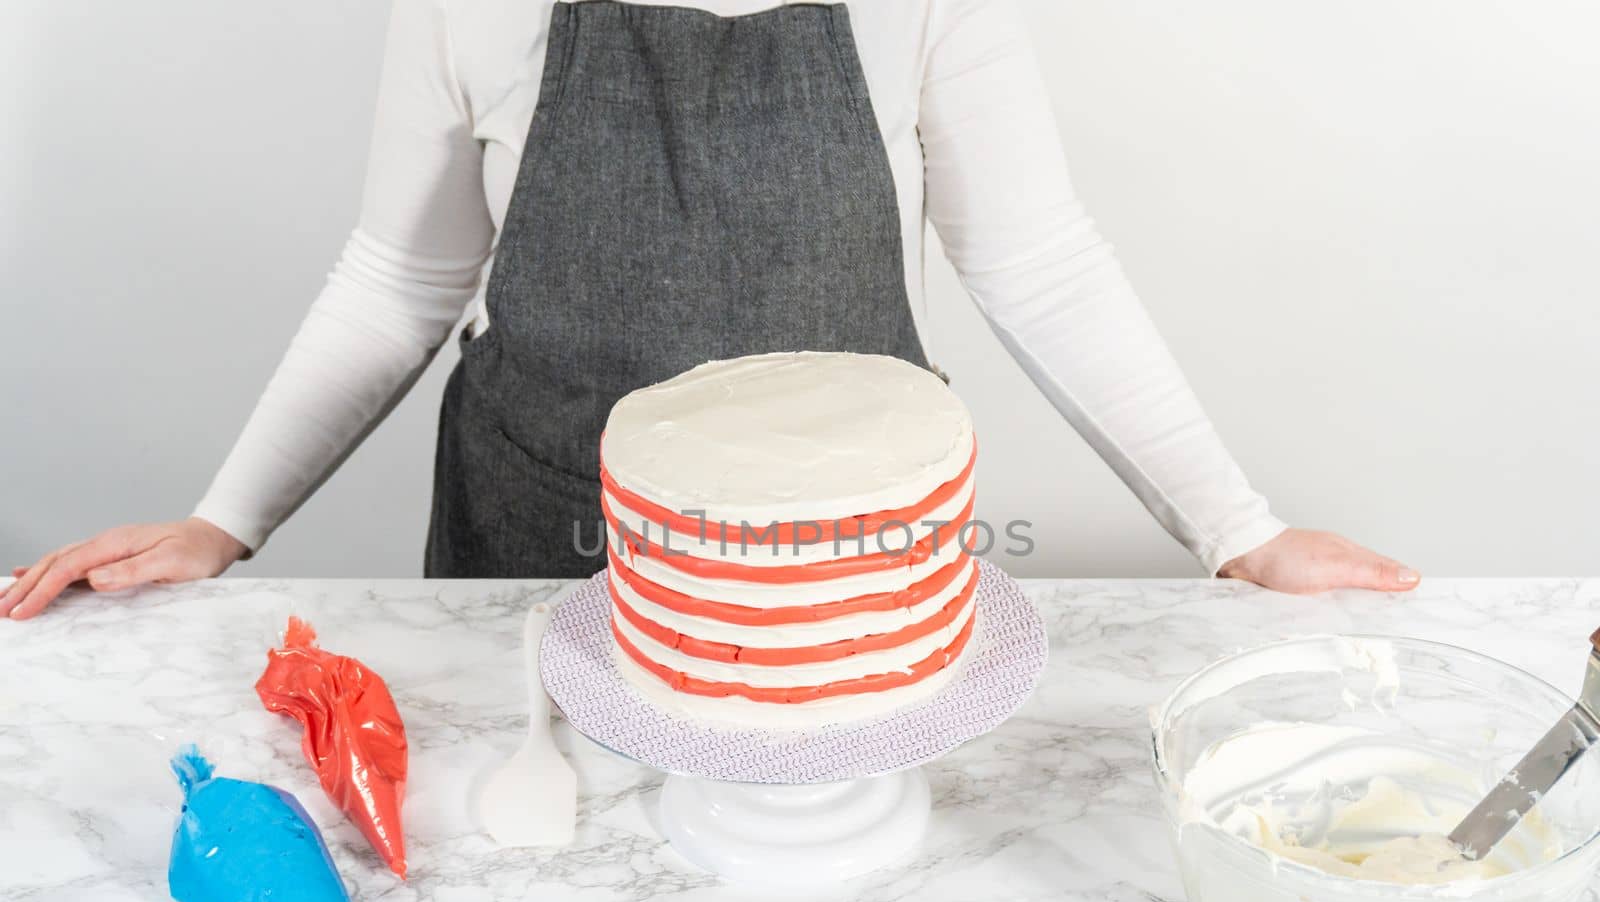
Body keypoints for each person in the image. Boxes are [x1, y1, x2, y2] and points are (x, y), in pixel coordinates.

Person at [1, 0, 1419, 622]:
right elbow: (402, 275)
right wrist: (221, 521)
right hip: (533, 545)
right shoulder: (472, 3)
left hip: (833, 568)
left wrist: (1238, 531)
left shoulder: (922, 3)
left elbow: (1039, 264)